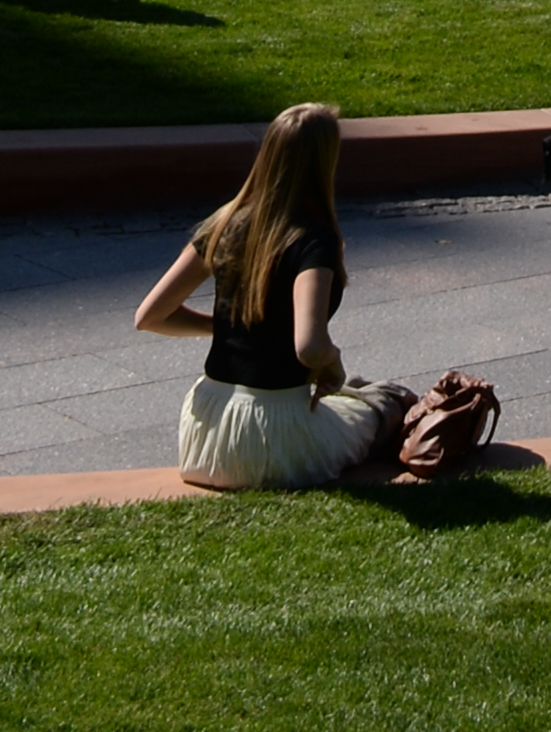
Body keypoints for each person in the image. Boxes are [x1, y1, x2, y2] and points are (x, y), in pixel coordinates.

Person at [137, 102, 398, 490]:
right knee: (386, 401)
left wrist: (231, 330)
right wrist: (333, 360)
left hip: (205, 434)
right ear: (326, 161)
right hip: (275, 441)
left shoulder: (226, 221)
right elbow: (309, 348)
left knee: (353, 394)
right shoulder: (314, 239)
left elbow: (150, 316)